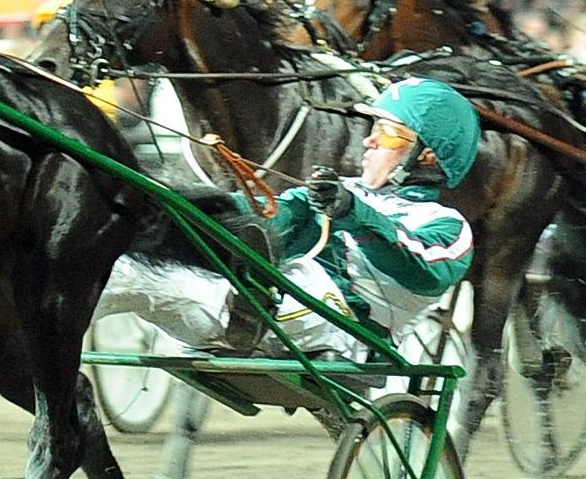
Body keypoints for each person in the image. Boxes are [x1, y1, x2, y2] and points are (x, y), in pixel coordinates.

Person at [98, 77, 477, 359]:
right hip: (266, 311)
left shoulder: (446, 225)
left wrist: (354, 214)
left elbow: (424, 271)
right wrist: (162, 201)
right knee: (122, 269)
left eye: (390, 134)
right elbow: (263, 215)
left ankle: (251, 297)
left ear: (427, 156)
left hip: (347, 332)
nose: (369, 142)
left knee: (290, 277)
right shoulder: (341, 191)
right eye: (372, 129)